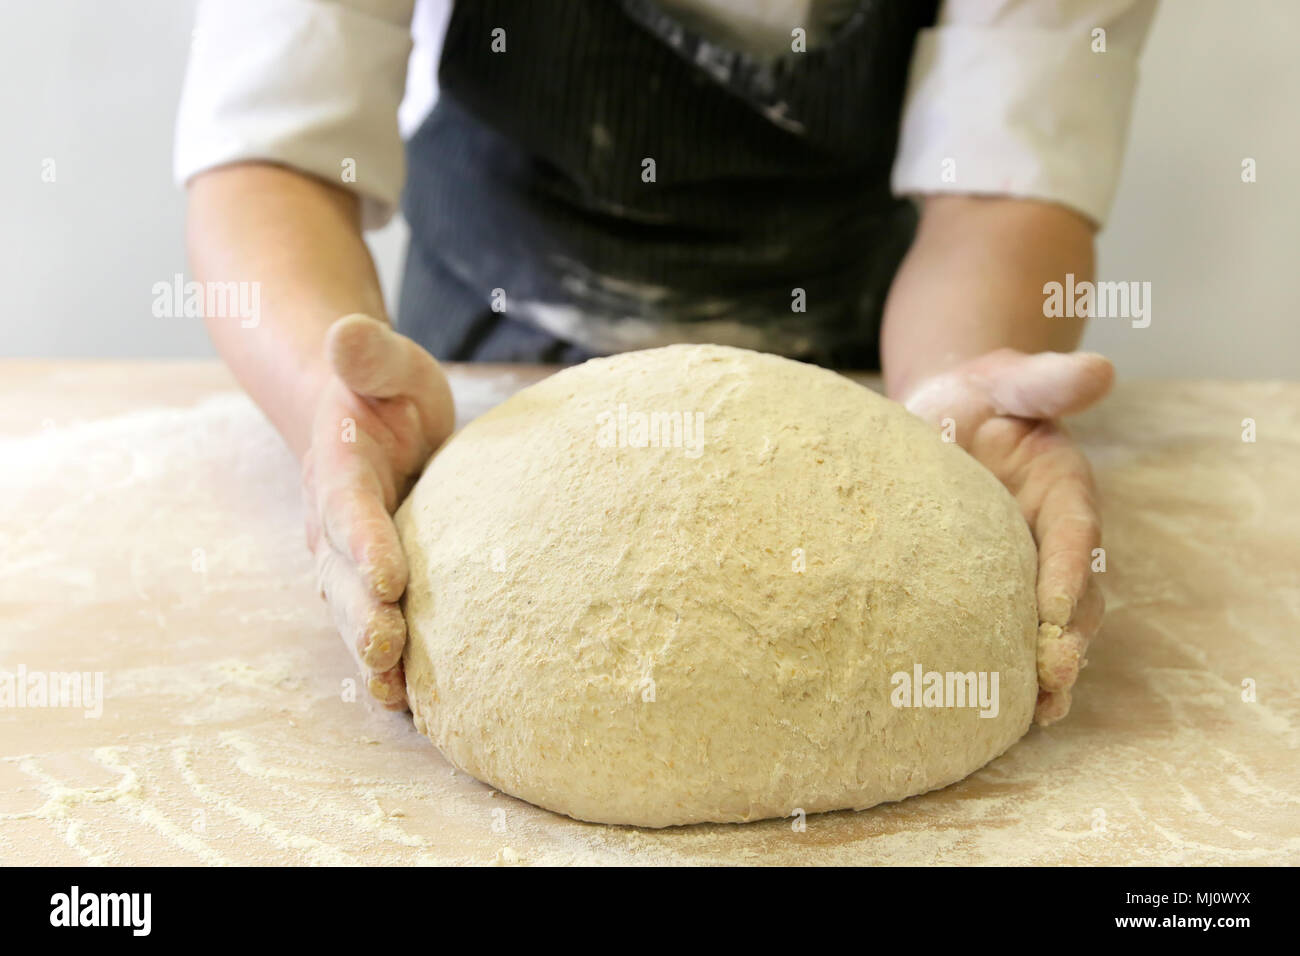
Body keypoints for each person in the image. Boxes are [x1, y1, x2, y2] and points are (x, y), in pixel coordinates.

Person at [177, 0, 1156, 724]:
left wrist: (956, 385)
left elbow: (997, 186)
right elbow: (275, 152)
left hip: (860, 378)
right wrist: (334, 398)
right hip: (480, 366)